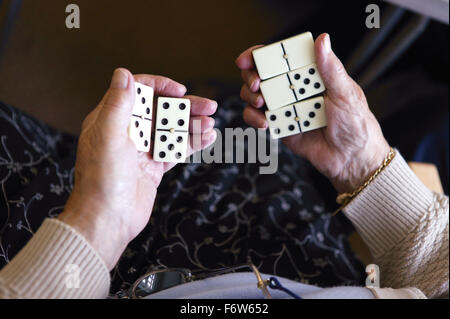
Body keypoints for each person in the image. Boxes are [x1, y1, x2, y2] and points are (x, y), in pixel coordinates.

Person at [0, 34, 447, 299]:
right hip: (294, 265)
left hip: (64, 269)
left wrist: (98, 222)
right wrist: (362, 163)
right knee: (238, 134)